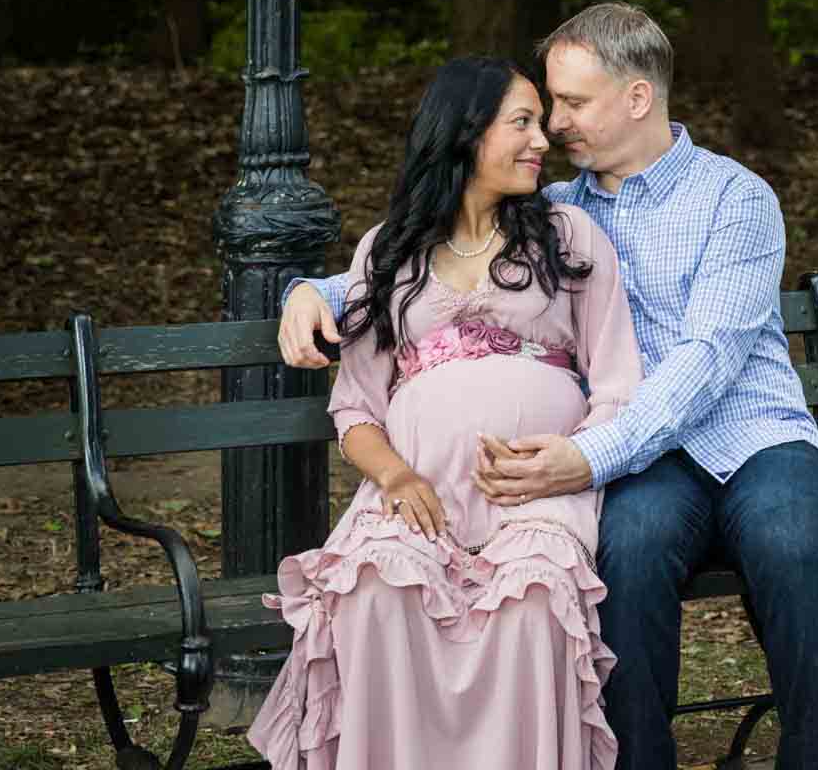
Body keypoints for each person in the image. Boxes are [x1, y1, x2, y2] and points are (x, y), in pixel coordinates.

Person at [281, 5, 818, 770]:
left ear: (637, 98)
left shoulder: (734, 198)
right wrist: (309, 287)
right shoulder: (559, 209)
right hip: (646, 462)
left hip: (750, 436)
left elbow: (707, 360)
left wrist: (590, 456)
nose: (553, 126)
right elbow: (436, 248)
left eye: (572, 103)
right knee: (630, 550)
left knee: (787, 543)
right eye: (546, 105)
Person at [249, 54, 642, 770]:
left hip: (541, 496)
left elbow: (617, 384)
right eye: (520, 123)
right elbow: (356, 410)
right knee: (374, 592)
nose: (540, 141)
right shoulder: (389, 252)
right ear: (465, 134)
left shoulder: (567, 236)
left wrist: (569, 462)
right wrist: (396, 479)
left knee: (533, 606)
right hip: (416, 496)